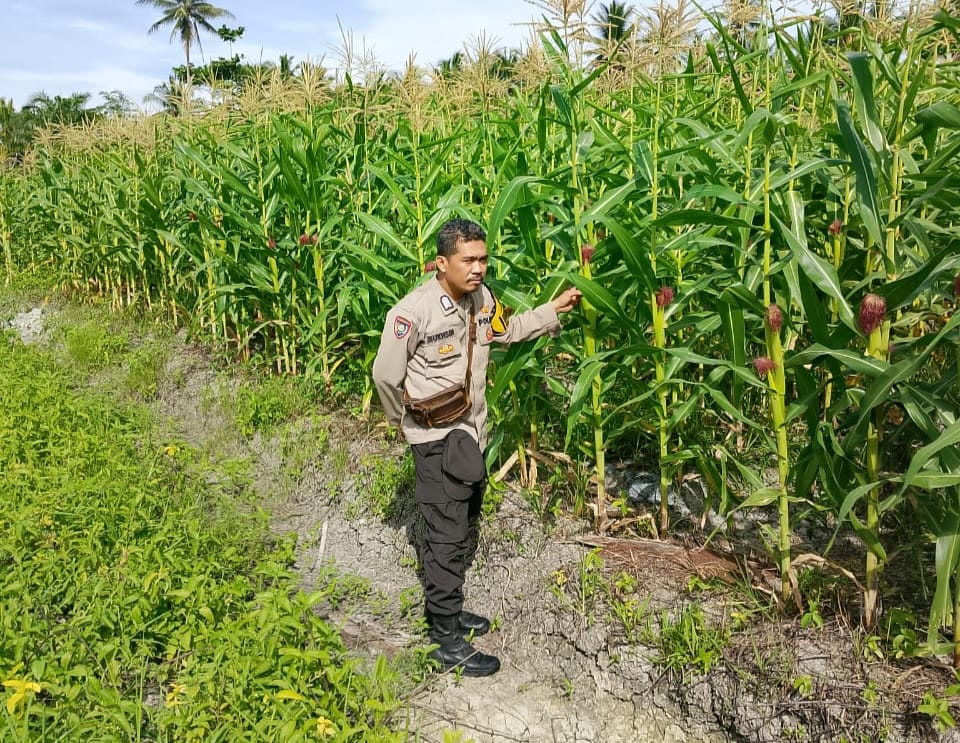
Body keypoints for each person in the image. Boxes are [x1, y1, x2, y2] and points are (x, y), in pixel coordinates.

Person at [372, 218, 582, 677]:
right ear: (441, 262)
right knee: (447, 538)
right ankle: (445, 640)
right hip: (435, 439)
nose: (479, 268)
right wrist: (402, 423)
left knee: (462, 524)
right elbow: (385, 376)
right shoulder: (414, 312)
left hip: (470, 435)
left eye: (484, 259)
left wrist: (553, 310)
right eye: (468, 260)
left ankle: (446, 611)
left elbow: (508, 329)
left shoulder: (482, 299)